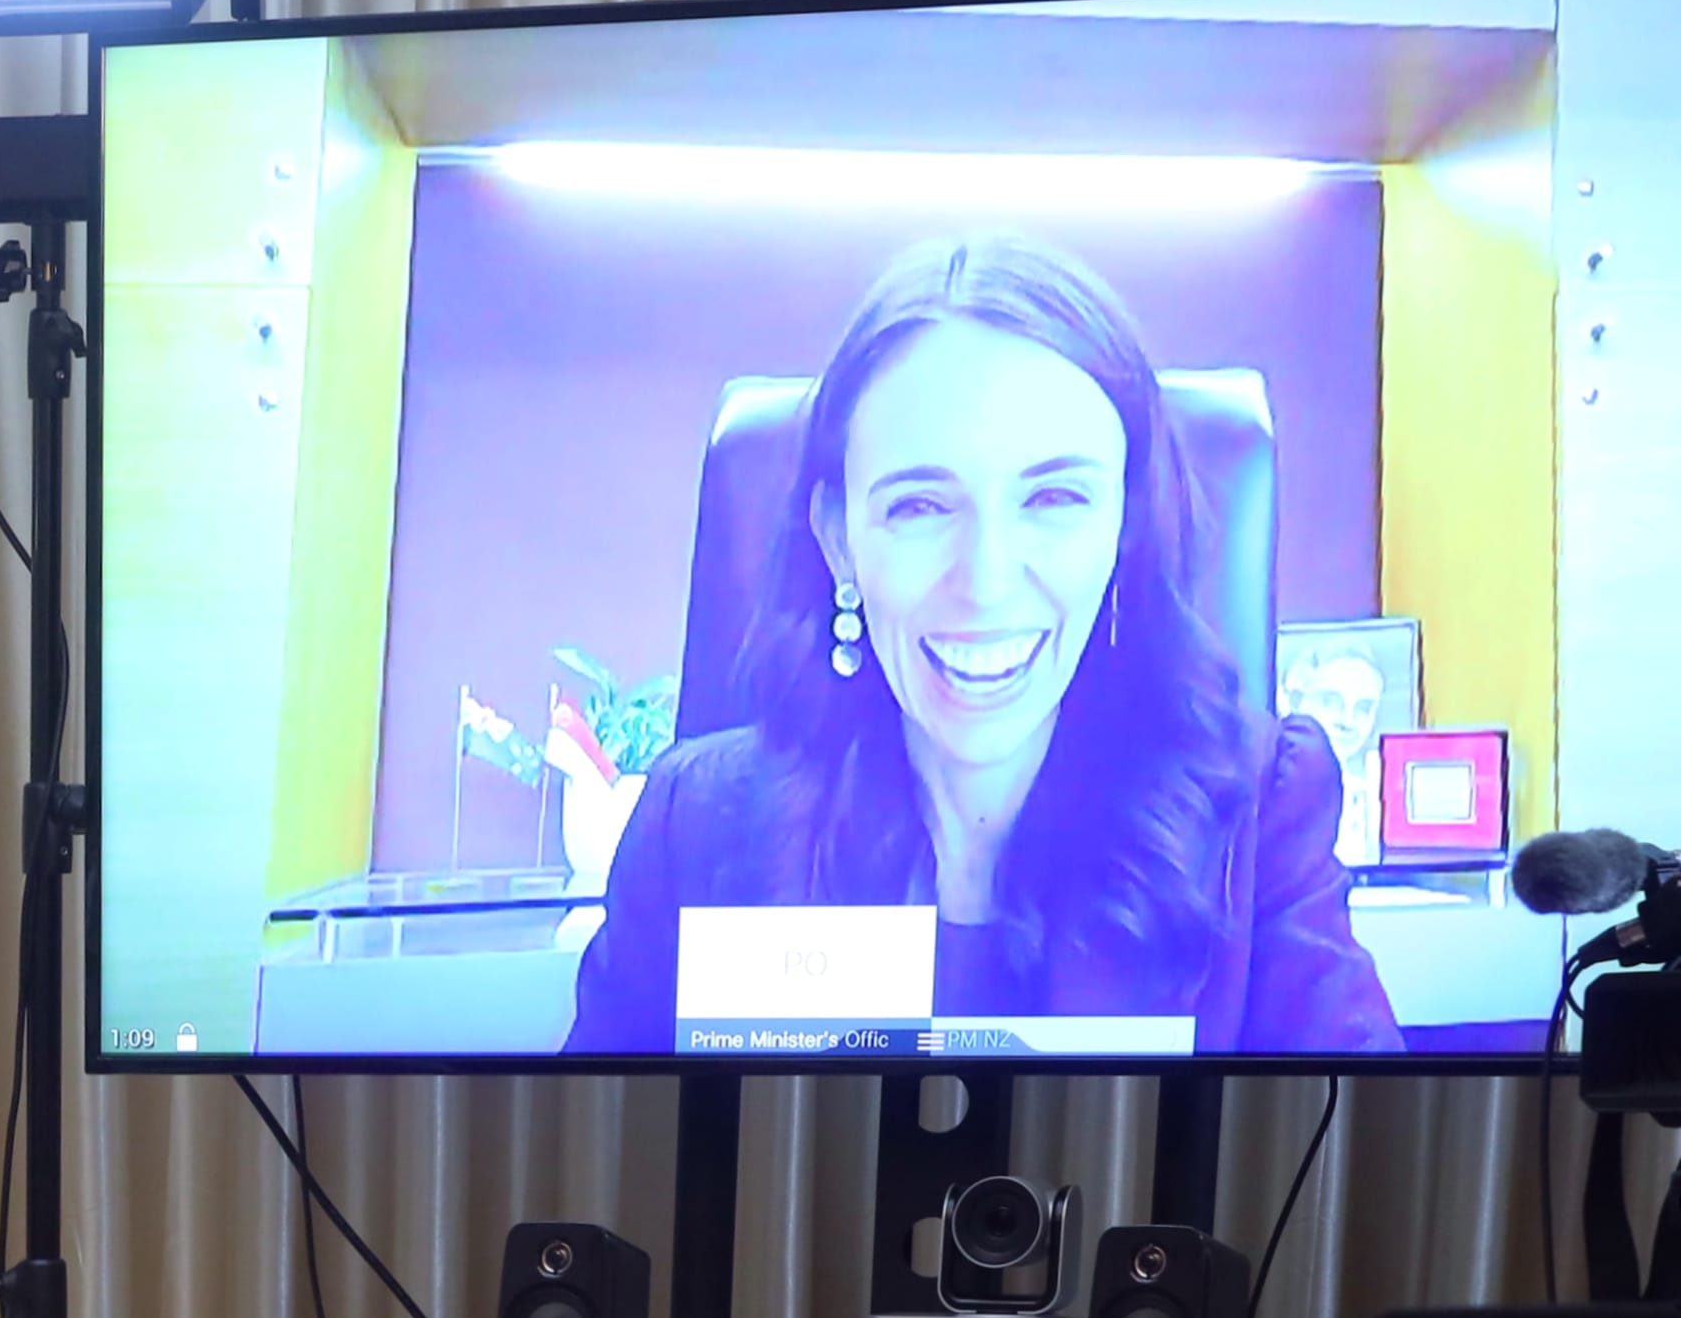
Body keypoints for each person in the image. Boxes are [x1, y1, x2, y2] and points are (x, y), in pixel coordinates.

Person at [566, 235, 1402, 1055]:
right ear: (838, 541)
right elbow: (595, 1174)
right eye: (920, 507)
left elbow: (1358, 1172)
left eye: (1055, 498)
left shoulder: (1262, 816)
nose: (987, 582)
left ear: (1126, 526)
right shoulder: (695, 831)